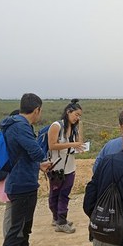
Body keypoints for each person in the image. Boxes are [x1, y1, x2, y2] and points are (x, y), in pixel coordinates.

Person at [0, 93, 51, 246]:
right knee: (16, 232)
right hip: (21, 185)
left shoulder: (16, 124)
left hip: (24, 182)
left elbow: (28, 152)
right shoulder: (20, 126)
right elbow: (35, 151)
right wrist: (43, 160)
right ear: (37, 110)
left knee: (24, 229)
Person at [0, 109, 42, 246]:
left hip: (9, 175)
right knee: (15, 222)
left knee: (13, 217)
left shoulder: (6, 130)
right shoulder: (19, 129)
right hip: (16, 178)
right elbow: (36, 153)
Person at [47, 99, 84, 234]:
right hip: (56, 167)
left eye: (79, 116)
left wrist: (77, 146)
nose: (77, 118)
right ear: (68, 112)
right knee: (55, 193)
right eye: (76, 114)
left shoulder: (73, 128)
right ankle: (58, 219)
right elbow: (52, 145)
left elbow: (73, 144)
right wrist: (72, 145)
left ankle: (60, 219)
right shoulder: (56, 126)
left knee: (65, 194)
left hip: (70, 167)